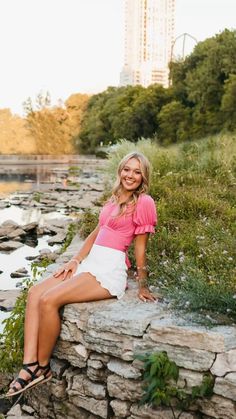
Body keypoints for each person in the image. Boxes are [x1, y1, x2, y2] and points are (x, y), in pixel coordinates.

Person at [7, 151, 157, 397]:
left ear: (143, 177)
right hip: (90, 262)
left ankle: (43, 368)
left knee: (49, 300)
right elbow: (96, 232)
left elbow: (140, 248)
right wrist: (76, 260)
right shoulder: (114, 198)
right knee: (35, 293)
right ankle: (29, 365)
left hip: (108, 270)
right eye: (127, 169)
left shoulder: (144, 203)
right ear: (120, 170)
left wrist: (143, 285)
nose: (130, 175)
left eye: (137, 171)